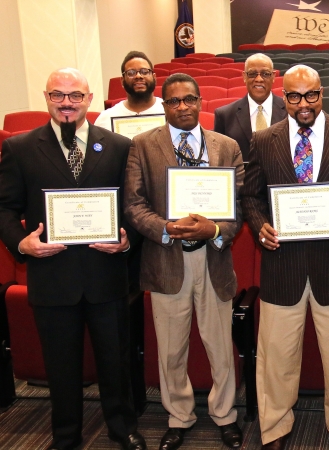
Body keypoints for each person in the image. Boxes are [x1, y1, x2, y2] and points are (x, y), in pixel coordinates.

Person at [0, 68, 145, 450]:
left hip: (106, 274)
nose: (67, 102)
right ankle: (66, 436)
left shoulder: (117, 145)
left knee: (115, 361)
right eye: (58, 95)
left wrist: (127, 239)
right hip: (53, 276)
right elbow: (4, 208)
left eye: (75, 95)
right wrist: (21, 245)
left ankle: (122, 427)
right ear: (46, 97)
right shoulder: (19, 147)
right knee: (61, 368)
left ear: (89, 98)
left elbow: (131, 206)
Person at [241, 65, 329, 450]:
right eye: (294, 96)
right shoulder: (263, 139)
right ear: (282, 97)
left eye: (311, 95)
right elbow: (250, 196)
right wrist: (260, 225)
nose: (304, 104)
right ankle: (274, 427)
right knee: (276, 359)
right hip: (281, 266)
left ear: (323, 93)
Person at [124, 73, 245, 450]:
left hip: (214, 259)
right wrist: (166, 228)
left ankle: (225, 415)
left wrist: (214, 229)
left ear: (199, 101)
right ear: (164, 106)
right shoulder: (142, 146)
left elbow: (240, 205)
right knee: (171, 350)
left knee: (220, 346)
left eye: (189, 99)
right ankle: (179, 416)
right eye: (174, 101)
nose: (182, 107)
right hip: (166, 258)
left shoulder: (226, 146)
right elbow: (133, 203)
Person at [214, 53, 287, 161]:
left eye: (265, 74)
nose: (259, 79)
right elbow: (219, 158)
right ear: (244, 76)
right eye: (252, 74)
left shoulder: (289, 111)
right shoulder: (225, 115)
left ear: (273, 77)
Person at [94, 51, 164, 131]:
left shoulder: (170, 112)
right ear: (122, 81)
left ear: (154, 78)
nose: (138, 76)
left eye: (144, 72)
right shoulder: (105, 119)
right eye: (131, 73)